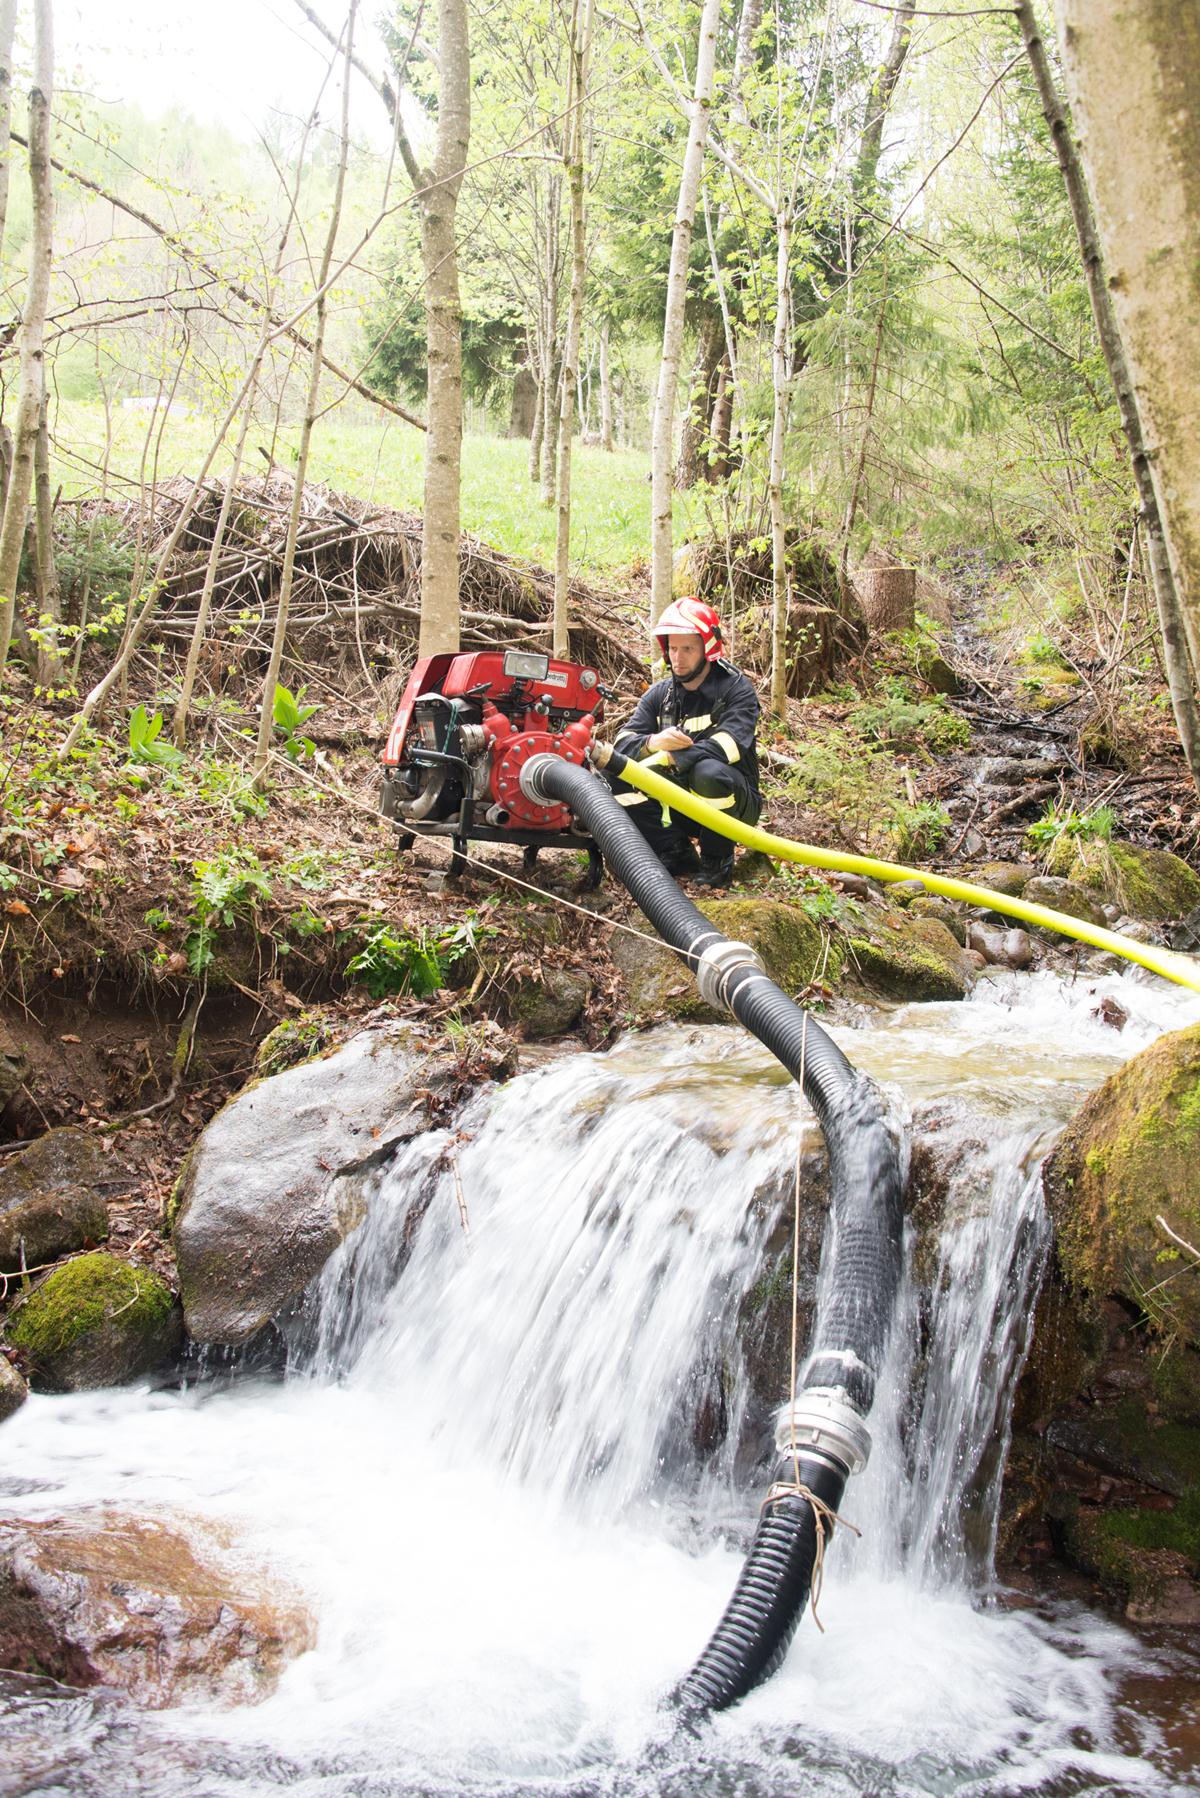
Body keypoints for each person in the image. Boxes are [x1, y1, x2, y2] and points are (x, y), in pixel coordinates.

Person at [609, 596, 761, 887]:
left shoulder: (736, 689)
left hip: (735, 803)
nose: (678, 658)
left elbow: (729, 745)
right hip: (680, 802)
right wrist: (653, 743)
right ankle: (675, 851)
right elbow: (622, 744)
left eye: (688, 649)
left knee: (708, 773)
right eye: (673, 648)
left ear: (708, 648)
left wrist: (673, 757)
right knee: (615, 774)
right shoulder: (660, 694)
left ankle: (717, 861)